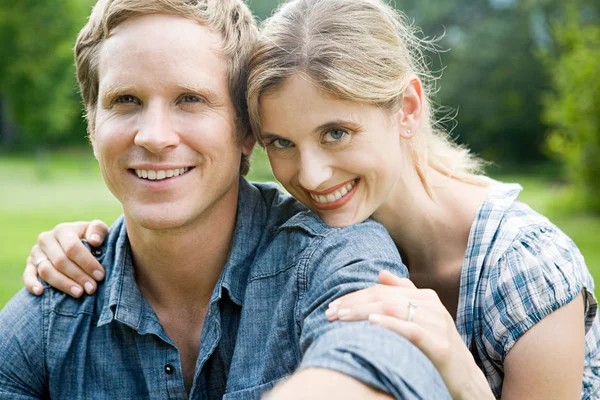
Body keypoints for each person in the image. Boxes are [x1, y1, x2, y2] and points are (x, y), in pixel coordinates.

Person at [20, 0, 600, 398]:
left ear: (407, 109)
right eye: (283, 143)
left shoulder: (523, 269)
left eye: (336, 133)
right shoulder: (327, 234)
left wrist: (460, 374)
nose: (312, 174)